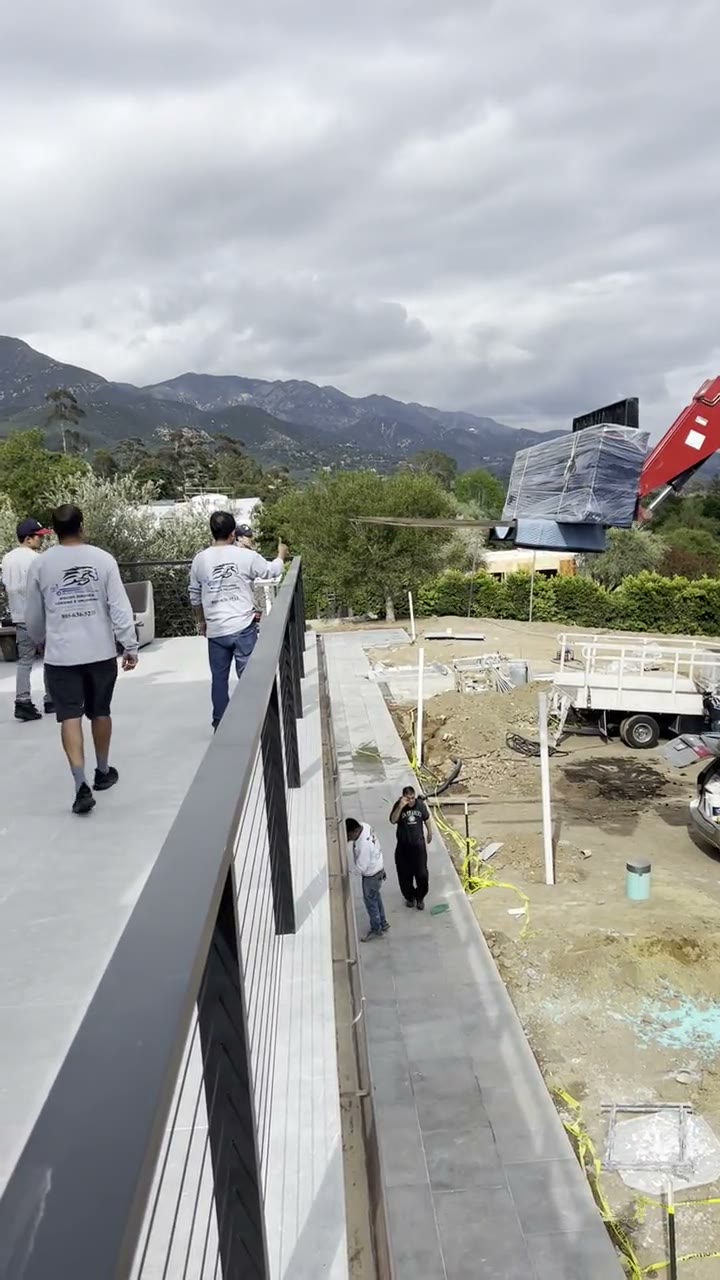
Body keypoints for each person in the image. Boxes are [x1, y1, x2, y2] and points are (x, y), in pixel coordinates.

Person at [24, 504, 138, 815]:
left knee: (69, 717)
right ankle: (102, 771)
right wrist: (130, 645)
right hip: (99, 652)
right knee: (100, 712)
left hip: (61, 656)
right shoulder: (102, 559)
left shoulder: (42, 565)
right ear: (82, 526)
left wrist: (39, 640)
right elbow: (119, 606)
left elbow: (33, 615)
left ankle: (79, 783)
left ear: (54, 531)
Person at [189, 511, 288, 729]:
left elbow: (195, 596)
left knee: (219, 679)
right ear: (233, 533)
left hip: (216, 629)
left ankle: (220, 724)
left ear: (212, 532)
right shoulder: (246, 557)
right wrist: (281, 556)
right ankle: (253, 723)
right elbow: (270, 572)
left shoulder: (200, 559)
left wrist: (201, 622)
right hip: (243, 626)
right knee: (248, 677)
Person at [1, 517, 53, 721]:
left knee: (25, 661)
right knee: (51, 658)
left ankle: (22, 701)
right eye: (39, 537)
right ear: (29, 539)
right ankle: (52, 699)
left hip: (19, 616)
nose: (41, 541)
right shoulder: (36, 559)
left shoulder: (7, 559)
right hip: (40, 616)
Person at [389, 785, 433, 910]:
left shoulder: (420, 805)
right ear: (403, 797)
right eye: (408, 799)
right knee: (404, 875)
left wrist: (430, 832)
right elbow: (392, 820)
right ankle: (409, 897)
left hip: (418, 847)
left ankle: (420, 898)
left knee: (422, 875)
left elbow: (427, 818)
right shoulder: (399, 806)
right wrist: (400, 806)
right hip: (403, 847)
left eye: (412, 798)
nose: (411, 801)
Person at [345, 817, 389, 941]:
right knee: (376, 897)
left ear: (353, 832)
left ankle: (376, 929)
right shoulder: (365, 826)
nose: (348, 839)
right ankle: (383, 922)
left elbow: (362, 867)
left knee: (371, 902)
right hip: (378, 867)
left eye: (348, 836)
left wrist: (349, 873)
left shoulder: (363, 845)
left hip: (371, 875)